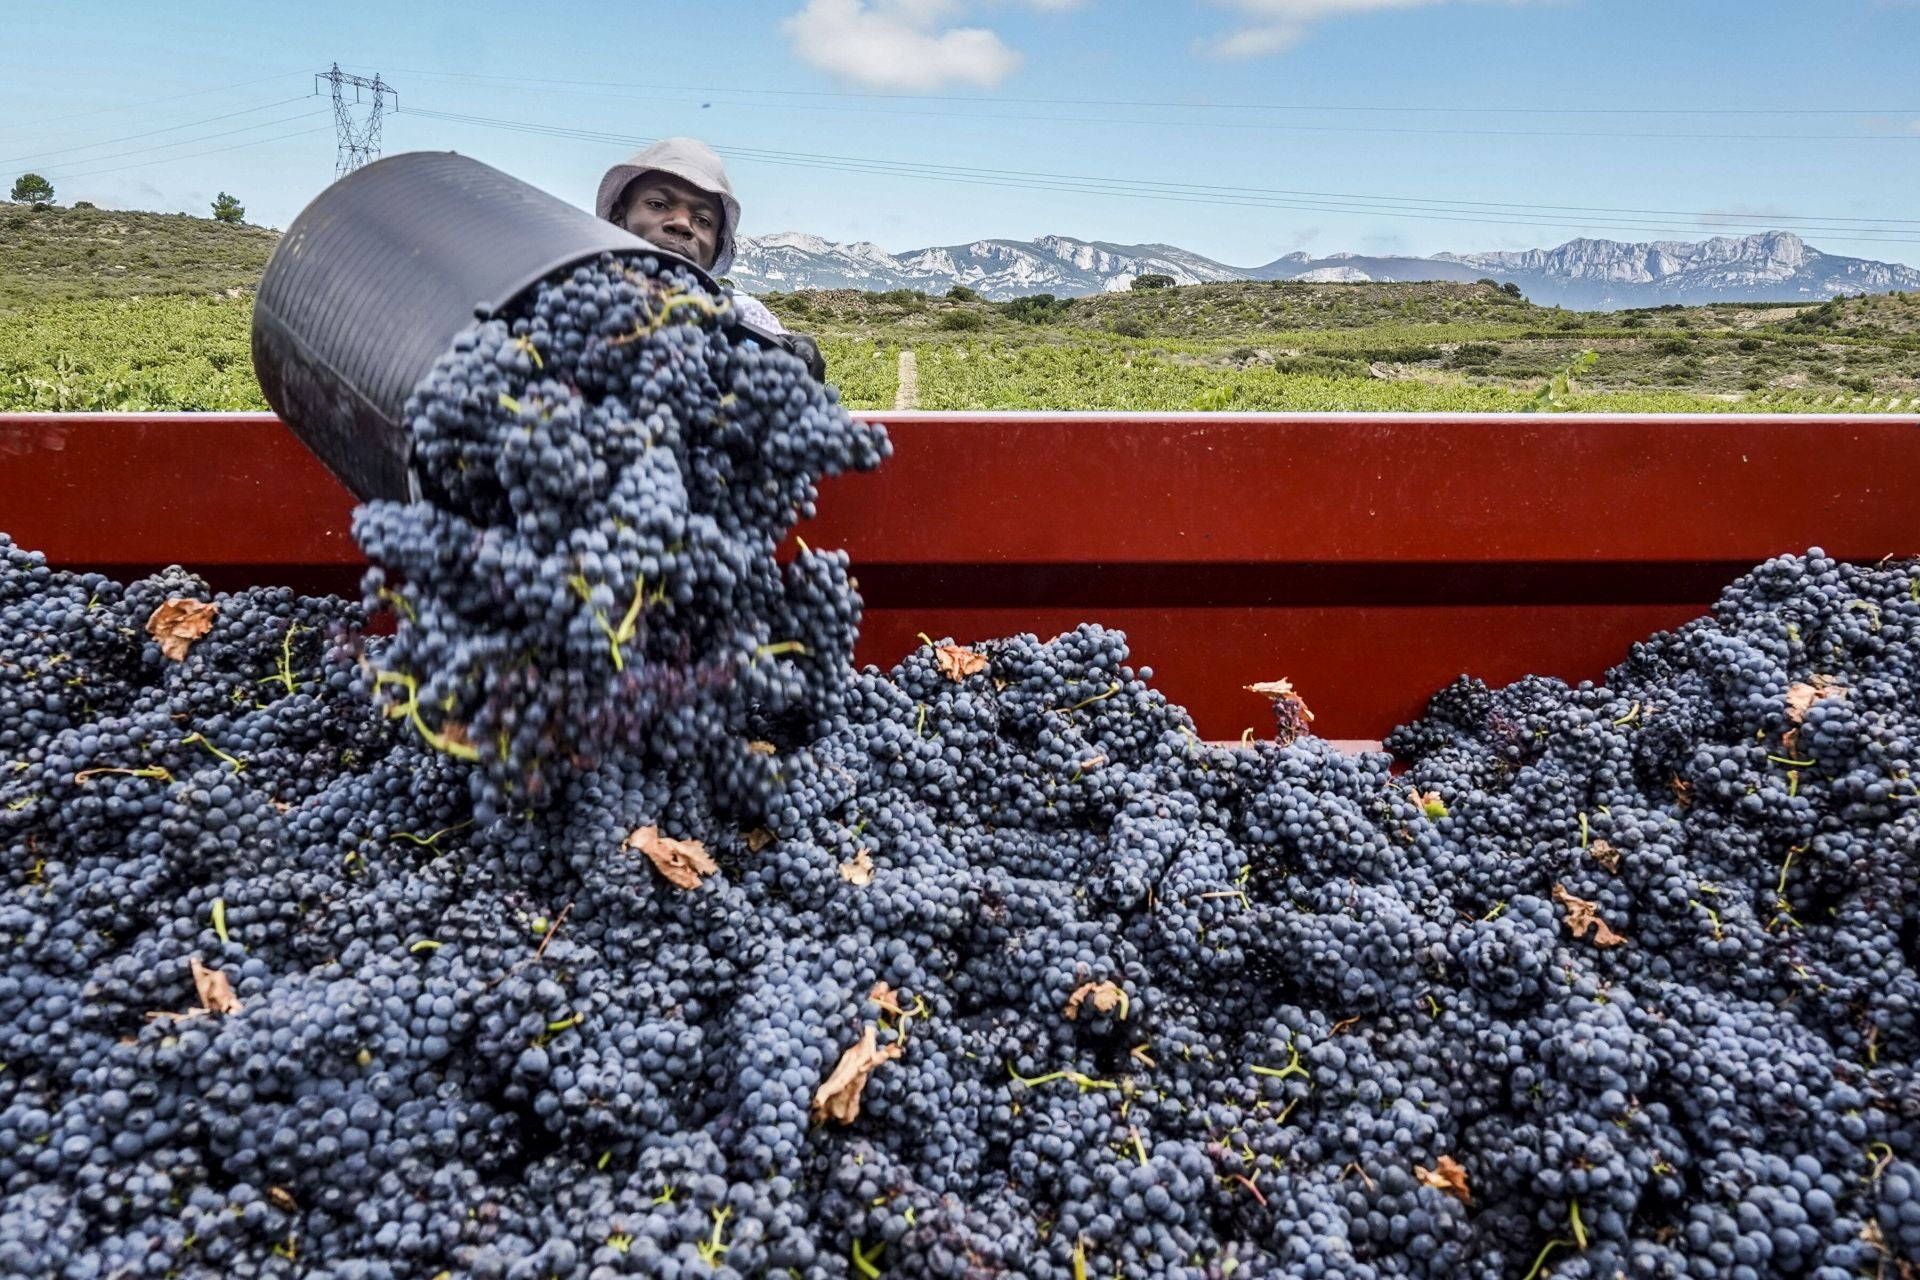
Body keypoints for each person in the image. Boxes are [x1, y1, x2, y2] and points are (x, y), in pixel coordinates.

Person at [595, 138, 824, 379]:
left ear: (717, 247)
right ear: (618, 218)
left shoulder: (743, 314)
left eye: (703, 220)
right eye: (658, 204)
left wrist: (793, 355)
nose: (682, 224)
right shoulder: (572, 295)